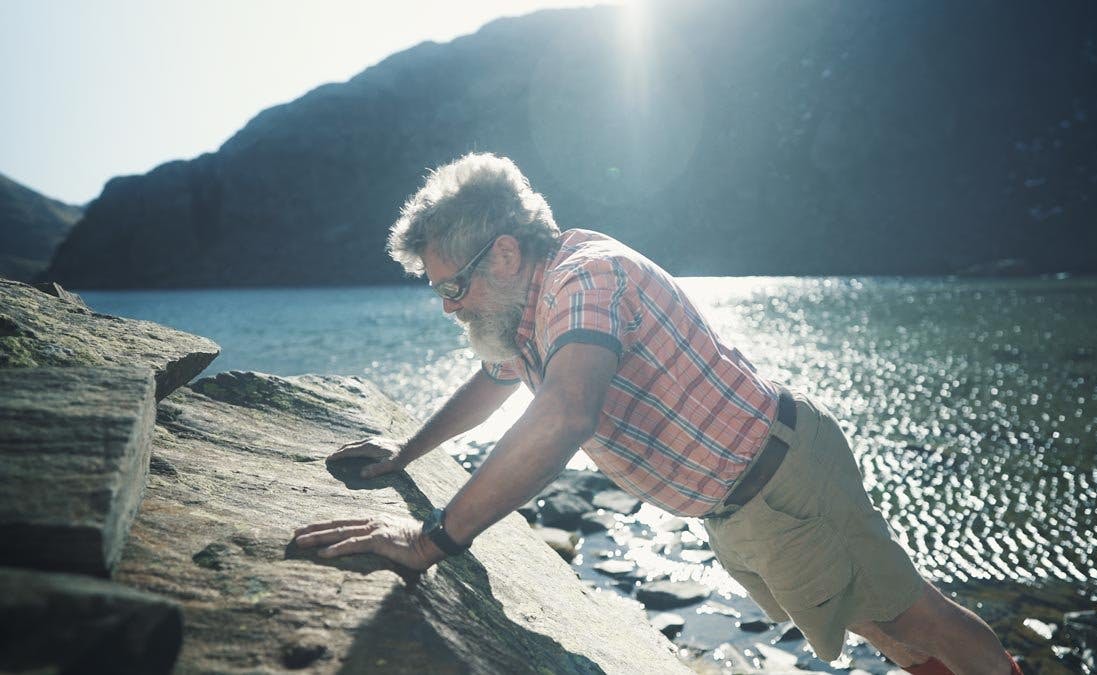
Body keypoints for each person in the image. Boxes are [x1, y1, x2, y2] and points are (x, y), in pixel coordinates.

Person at [293, 153, 1022, 675]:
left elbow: (565, 416)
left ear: (505, 253)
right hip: (743, 504)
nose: (450, 307)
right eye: (439, 292)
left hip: (783, 485)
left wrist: (431, 540)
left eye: (454, 286)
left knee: (915, 616)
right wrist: (407, 451)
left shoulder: (586, 281)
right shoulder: (530, 308)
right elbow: (493, 381)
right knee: (875, 620)